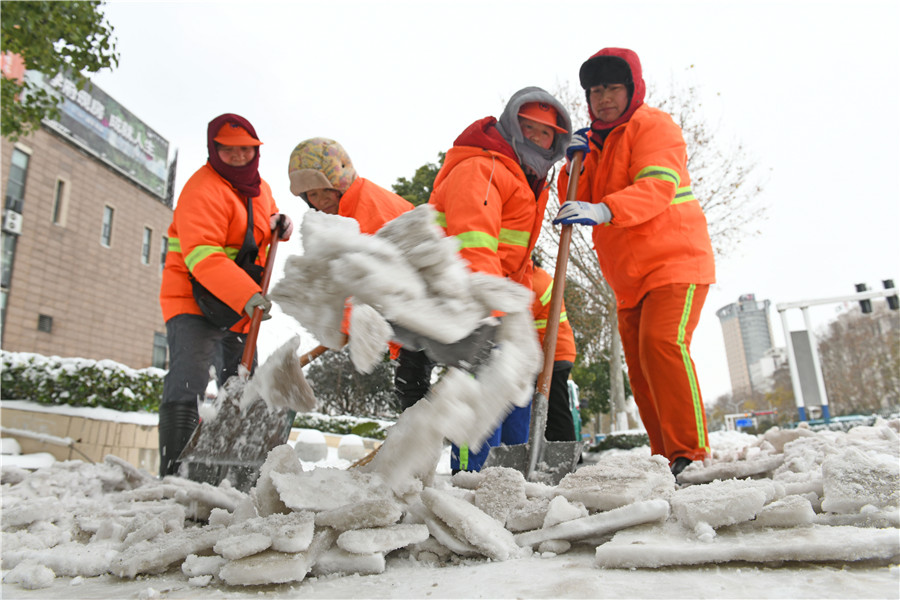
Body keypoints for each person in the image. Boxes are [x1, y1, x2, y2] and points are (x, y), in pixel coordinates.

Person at [554, 48, 716, 476]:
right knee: (642, 368)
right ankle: (666, 458)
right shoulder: (594, 144)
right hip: (627, 279)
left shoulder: (653, 126)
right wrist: (573, 162)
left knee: (663, 345)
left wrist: (605, 210)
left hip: (676, 262)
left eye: (613, 88)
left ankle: (692, 453)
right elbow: (572, 202)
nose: (604, 97)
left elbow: (658, 186)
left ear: (632, 90)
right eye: (595, 91)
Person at [427, 86, 571, 472]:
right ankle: (468, 486)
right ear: (512, 126)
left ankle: (507, 484)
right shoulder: (484, 167)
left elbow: (515, 263)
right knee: (479, 410)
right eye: (529, 128)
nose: (537, 138)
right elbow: (473, 246)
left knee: (515, 400)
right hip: (470, 305)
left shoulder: (524, 179)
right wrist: (494, 316)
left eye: (546, 133)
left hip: (498, 305)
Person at [158, 113, 292, 478]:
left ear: (256, 151)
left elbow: (260, 231)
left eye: (246, 150)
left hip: (236, 302)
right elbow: (204, 255)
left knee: (244, 383)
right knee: (189, 376)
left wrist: (280, 225)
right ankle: (174, 471)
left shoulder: (260, 188)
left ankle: (239, 470)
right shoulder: (201, 190)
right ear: (213, 150)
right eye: (228, 150)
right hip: (192, 297)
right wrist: (247, 296)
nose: (238, 156)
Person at [287, 137, 414, 366]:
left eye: (326, 189)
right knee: (412, 390)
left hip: (419, 314)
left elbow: (373, 281)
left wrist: (343, 326)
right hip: (406, 322)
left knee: (414, 389)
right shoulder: (347, 215)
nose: (321, 200)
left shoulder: (369, 210)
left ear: (340, 181)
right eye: (312, 195)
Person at [530, 259, 577, 443]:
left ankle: (564, 451)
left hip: (554, 354)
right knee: (551, 407)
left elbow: (515, 314)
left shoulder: (536, 282)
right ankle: (558, 448)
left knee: (555, 407)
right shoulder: (539, 277)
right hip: (552, 351)